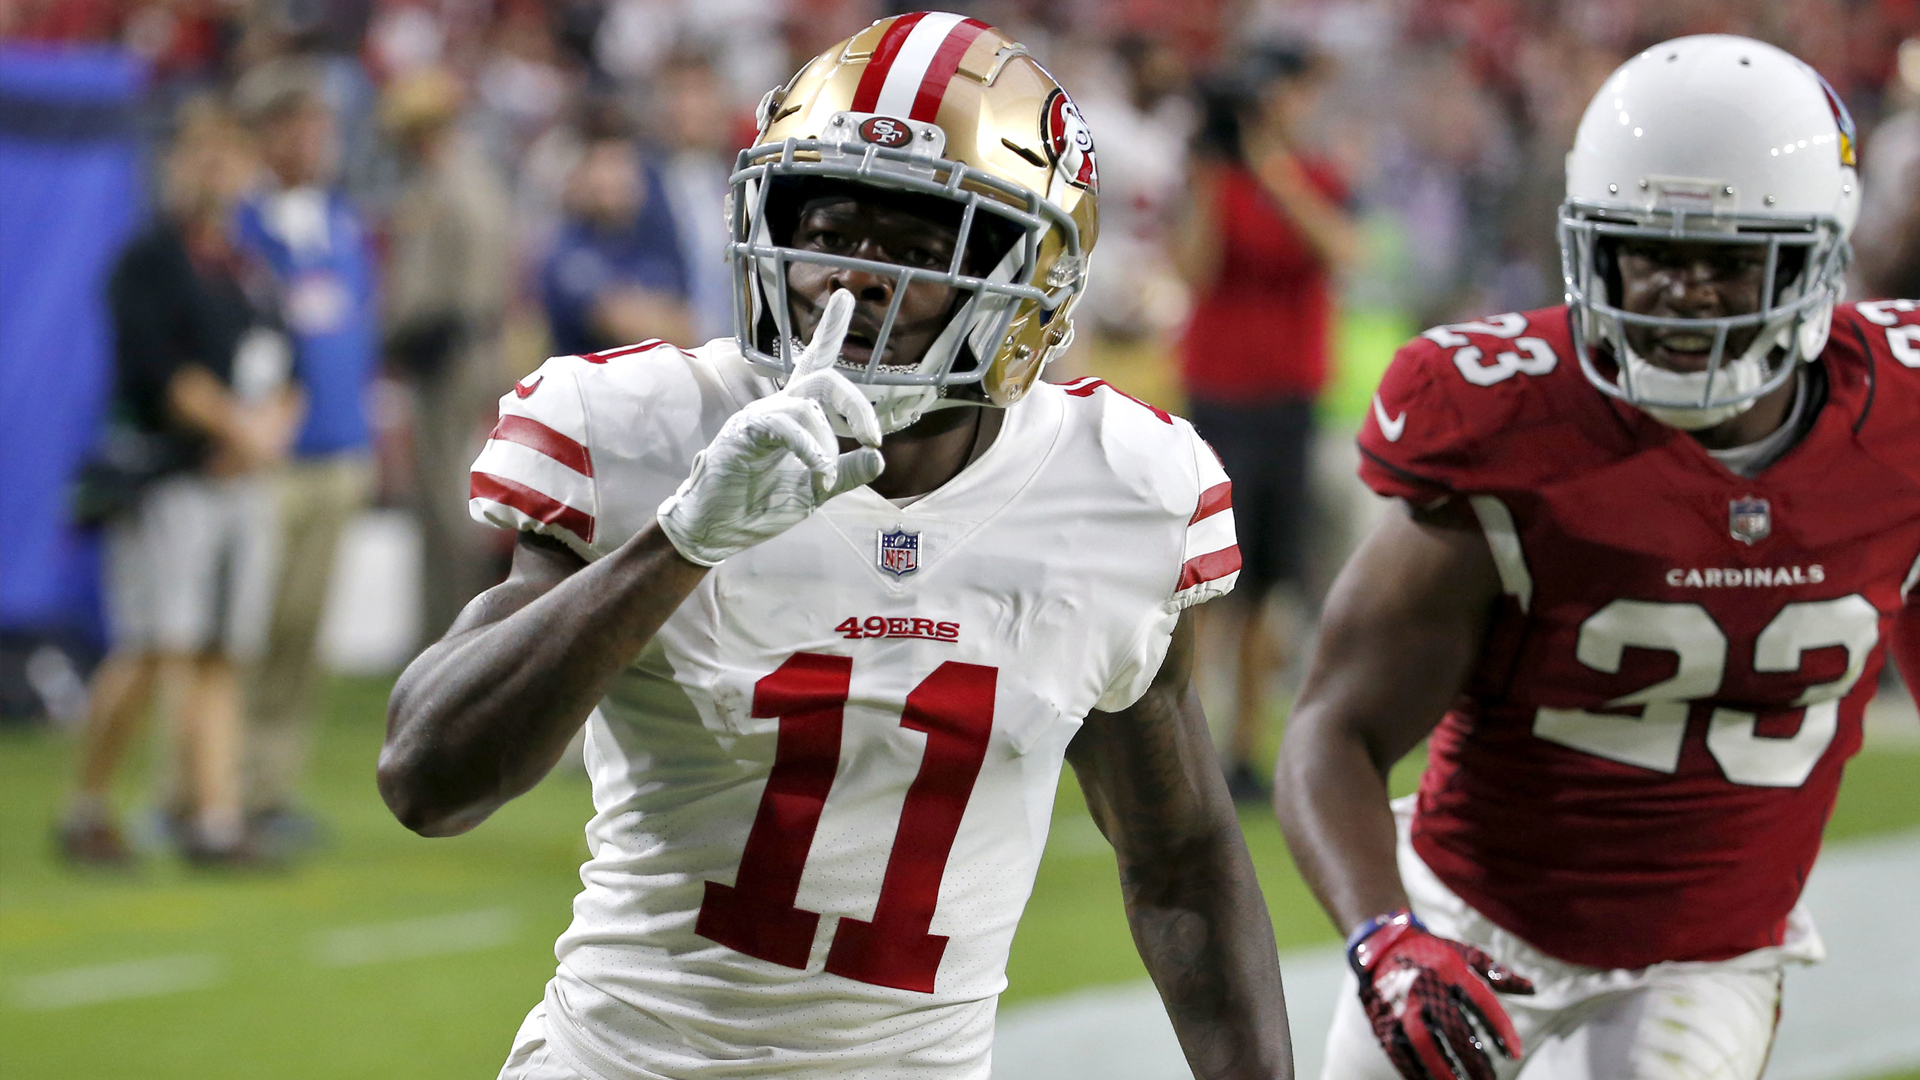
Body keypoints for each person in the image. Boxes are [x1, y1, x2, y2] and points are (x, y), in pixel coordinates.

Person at [380, 14, 1293, 1080]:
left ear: (1030, 284)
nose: (850, 280)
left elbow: (1180, 860)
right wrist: (680, 542)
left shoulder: (1120, 488)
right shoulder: (645, 426)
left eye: (917, 251)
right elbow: (428, 778)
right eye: (827, 228)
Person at [1276, 36, 1900, 1080]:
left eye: (1731, 261)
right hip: (1466, 916)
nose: (1685, 294)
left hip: (1708, 953)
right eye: (1650, 252)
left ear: (1816, 260)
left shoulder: (1900, 424)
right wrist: (1385, 936)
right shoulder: (1506, 420)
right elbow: (1334, 725)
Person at [57, 100, 302, 866]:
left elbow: (288, 364)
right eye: (200, 153)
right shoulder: (149, 259)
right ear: (174, 163)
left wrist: (268, 433)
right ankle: (88, 804)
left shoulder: (248, 268)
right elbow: (161, 370)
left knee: (221, 651)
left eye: (227, 154)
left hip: (240, 483)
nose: (214, 169)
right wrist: (241, 431)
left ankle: (215, 821)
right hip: (170, 479)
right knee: (156, 647)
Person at [1174, 44, 1357, 802]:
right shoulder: (1211, 178)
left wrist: (1273, 171)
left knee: (1265, 583)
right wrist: (1212, 178)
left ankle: (1244, 747)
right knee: (1204, 581)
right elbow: (1193, 270)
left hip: (1286, 398)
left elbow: (1341, 249)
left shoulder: (1309, 175)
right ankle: (1188, 742)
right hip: (1219, 394)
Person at [232, 68, 379, 846]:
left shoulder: (341, 222)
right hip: (268, 458)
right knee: (243, 631)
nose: (313, 143)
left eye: (320, 129)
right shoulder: (239, 226)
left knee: (303, 634)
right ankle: (207, 788)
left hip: (339, 448)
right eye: (297, 128)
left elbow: (359, 330)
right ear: (264, 136)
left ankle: (269, 787)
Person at [380, 67, 514, 644]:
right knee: (449, 503)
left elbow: (443, 294)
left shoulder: (449, 187)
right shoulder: (467, 180)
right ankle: (452, 633)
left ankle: (455, 635)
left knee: (447, 504)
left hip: (450, 357)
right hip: (462, 351)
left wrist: (403, 334)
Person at [541, 108, 695, 356]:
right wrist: (658, 314)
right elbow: (621, 324)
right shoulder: (569, 250)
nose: (615, 179)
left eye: (623, 165)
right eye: (604, 167)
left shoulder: (656, 238)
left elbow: (689, 326)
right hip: (591, 379)